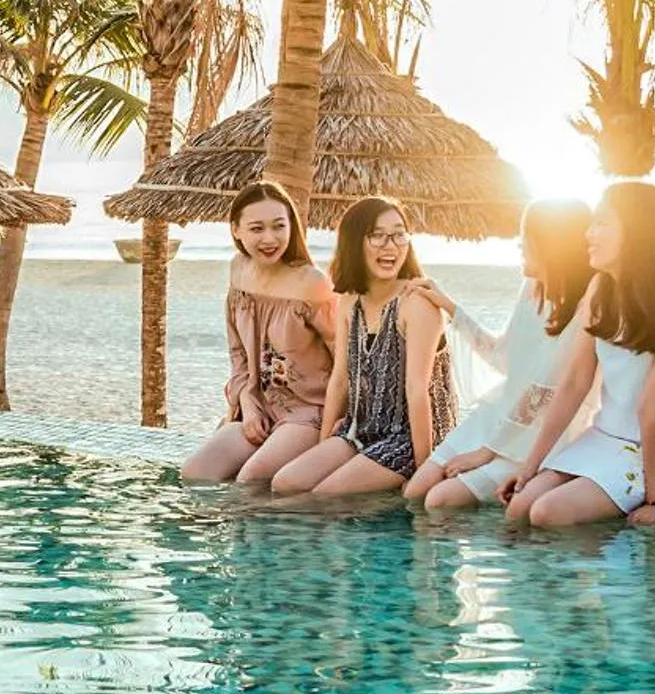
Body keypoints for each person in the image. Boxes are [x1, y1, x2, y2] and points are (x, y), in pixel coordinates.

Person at [498, 181, 655, 529]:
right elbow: (575, 383)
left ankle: (601, 578)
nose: (588, 234)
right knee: (519, 509)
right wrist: (529, 468)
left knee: (548, 513)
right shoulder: (600, 290)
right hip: (605, 439)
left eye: (602, 224)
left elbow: (650, 407)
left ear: (637, 232)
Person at [404, 198, 594, 511]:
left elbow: (543, 391)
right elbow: (502, 357)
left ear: (551, 245)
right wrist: (449, 306)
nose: (521, 245)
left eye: (527, 236)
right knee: (416, 491)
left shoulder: (584, 308)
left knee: (440, 500)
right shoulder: (532, 287)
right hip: (499, 416)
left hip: (539, 434)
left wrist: (487, 451)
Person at [270, 197, 455, 496]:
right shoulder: (349, 301)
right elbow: (340, 379)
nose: (390, 246)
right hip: (360, 429)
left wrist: (424, 470)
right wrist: (324, 448)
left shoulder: (416, 303)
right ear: (355, 242)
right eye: (377, 236)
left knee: (324, 497)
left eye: (398, 234)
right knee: (286, 483)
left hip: (409, 438)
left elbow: (417, 390)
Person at [180, 181, 336, 485]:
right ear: (236, 230)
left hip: (309, 411)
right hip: (258, 405)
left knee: (250, 480)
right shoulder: (238, 269)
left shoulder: (312, 284)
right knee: (195, 474)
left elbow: (346, 357)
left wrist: (335, 426)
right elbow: (237, 352)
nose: (269, 238)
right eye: (257, 228)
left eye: (279, 226)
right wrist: (247, 405)